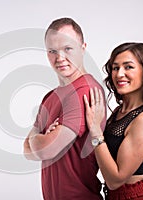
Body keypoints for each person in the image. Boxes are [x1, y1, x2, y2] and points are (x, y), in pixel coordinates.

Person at [83, 42, 143, 199]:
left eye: (128, 67)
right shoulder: (120, 111)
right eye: (115, 68)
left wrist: (95, 132)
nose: (119, 74)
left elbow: (115, 180)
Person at [23, 17, 105, 199]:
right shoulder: (50, 97)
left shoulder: (85, 91)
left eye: (68, 49)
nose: (60, 58)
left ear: (83, 48)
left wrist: (35, 138)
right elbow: (26, 152)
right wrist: (40, 141)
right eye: (52, 51)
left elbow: (45, 150)